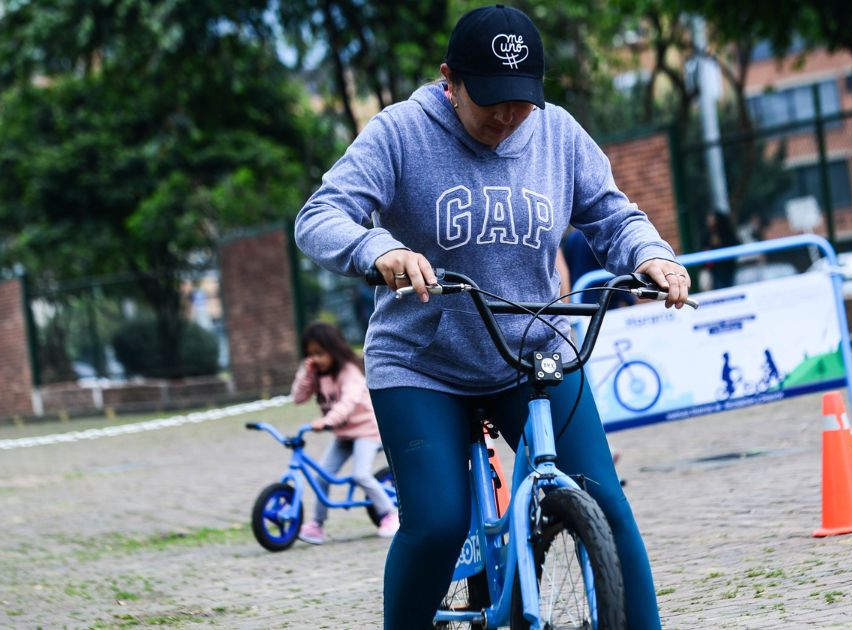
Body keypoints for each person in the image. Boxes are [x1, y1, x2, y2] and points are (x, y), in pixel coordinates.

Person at [294, 5, 690, 627]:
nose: (507, 118)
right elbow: (319, 216)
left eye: (520, 101)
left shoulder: (558, 135)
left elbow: (614, 216)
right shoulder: (399, 132)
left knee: (604, 501)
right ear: (449, 80)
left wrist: (652, 257)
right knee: (438, 522)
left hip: (532, 349)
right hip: (423, 363)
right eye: (490, 102)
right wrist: (382, 250)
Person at [290, 322, 399, 544]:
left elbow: (348, 402)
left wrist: (327, 421)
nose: (316, 359)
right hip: (343, 435)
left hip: (366, 431)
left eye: (320, 354)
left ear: (334, 349)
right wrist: (306, 372)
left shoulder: (349, 372)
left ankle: (390, 514)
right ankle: (317, 526)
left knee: (360, 475)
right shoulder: (318, 375)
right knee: (321, 477)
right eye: (310, 355)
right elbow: (298, 397)